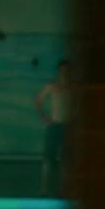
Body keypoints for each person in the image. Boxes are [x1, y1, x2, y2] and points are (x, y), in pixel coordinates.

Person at [33, 58, 73, 197]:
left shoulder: (73, 87)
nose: (64, 74)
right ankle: (44, 187)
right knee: (48, 157)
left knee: (66, 158)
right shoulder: (52, 86)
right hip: (55, 125)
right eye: (62, 71)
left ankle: (63, 188)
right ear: (59, 71)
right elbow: (38, 100)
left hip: (68, 127)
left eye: (67, 71)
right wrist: (45, 118)